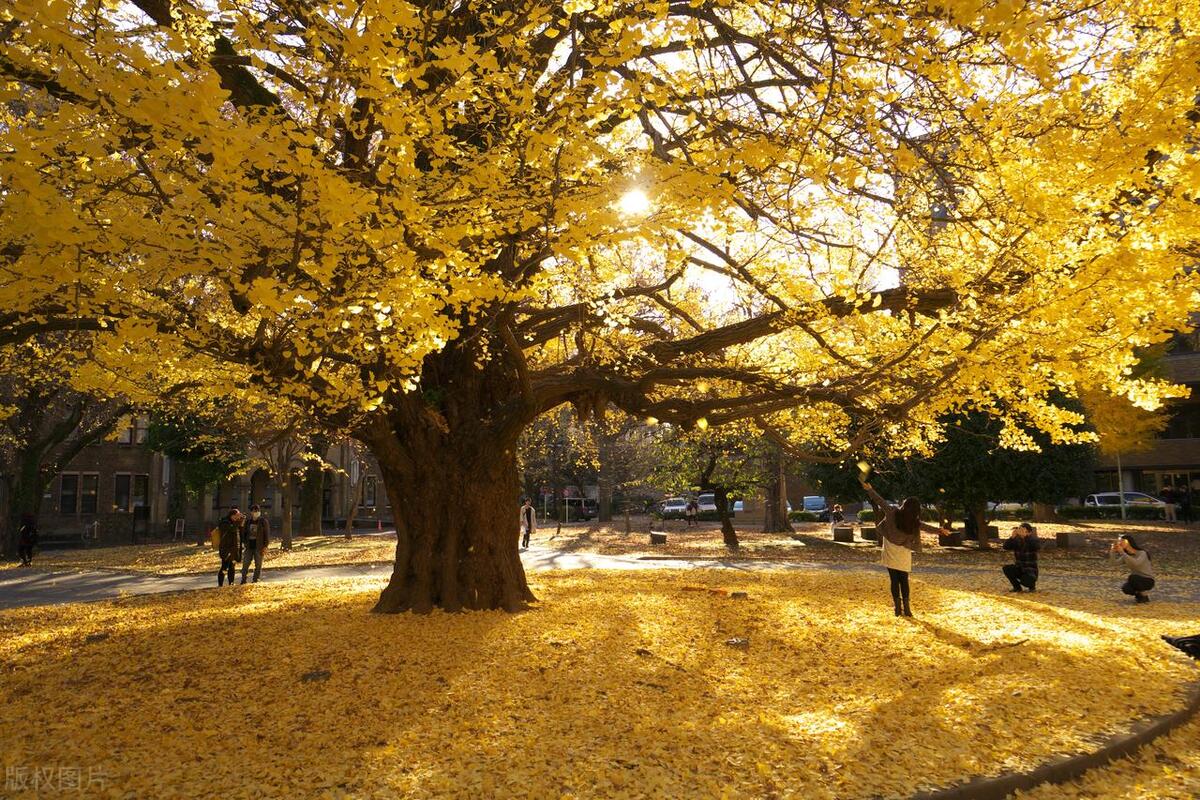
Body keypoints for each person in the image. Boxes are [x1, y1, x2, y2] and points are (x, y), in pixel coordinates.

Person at [860, 479, 947, 617]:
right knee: (904, 580)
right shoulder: (914, 521)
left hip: (890, 549)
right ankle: (907, 609)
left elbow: (880, 501)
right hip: (904, 551)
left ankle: (897, 608)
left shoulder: (892, 512)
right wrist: (940, 531)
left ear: (904, 505)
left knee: (894, 580)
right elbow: (926, 527)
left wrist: (869, 489)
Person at [1110, 534, 1154, 603]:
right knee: (1126, 588)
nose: (1119, 543)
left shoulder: (1142, 553)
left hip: (1148, 580)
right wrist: (1112, 552)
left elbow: (1136, 563)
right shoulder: (1127, 555)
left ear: (1128, 542)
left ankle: (1144, 594)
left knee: (1132, 577)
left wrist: (1122, 552)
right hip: (1136, 579)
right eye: (1119, 541)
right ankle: (1141, 596)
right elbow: (1114, 563)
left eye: (1121, 541)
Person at [1001, 522, 1040, 592]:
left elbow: (1036, 546)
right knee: (1006, 568)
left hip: (1030, 570)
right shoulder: (1016, 541)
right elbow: (1005, 547)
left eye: (1024, 530)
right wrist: (1012, 537)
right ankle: (1017, 588)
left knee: (1026, 581)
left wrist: (1026, 536)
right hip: (1019, 567)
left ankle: (1032, 587)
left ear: (1030, 532)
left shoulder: (1033, 539)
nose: (1021, 533)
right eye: (1020, 530)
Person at [240, 504, 270, 584]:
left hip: (259, 546)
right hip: (249, 546)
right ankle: (243, 580)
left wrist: (265, 546)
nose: (256, 512)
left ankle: (255, 580)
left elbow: (266, 535)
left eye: (257, 511)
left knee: (258, 564)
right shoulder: (248, 522)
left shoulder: (263, 521)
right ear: (251, 512)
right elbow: (244, 533)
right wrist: (244, 542)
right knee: (245, 564)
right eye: (254, 511)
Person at [216, 507, 243, 587]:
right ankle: (220, 584)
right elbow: (232, 529)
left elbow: (239, 532)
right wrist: (238, 521)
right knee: (224, 567)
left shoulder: (234, 523)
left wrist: (241, 521)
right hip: (226, 549)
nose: (238, 517)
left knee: (232, 566)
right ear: (232, 515)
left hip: (233, 549)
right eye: (237, 515)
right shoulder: (225, 523)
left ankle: (231, 583)